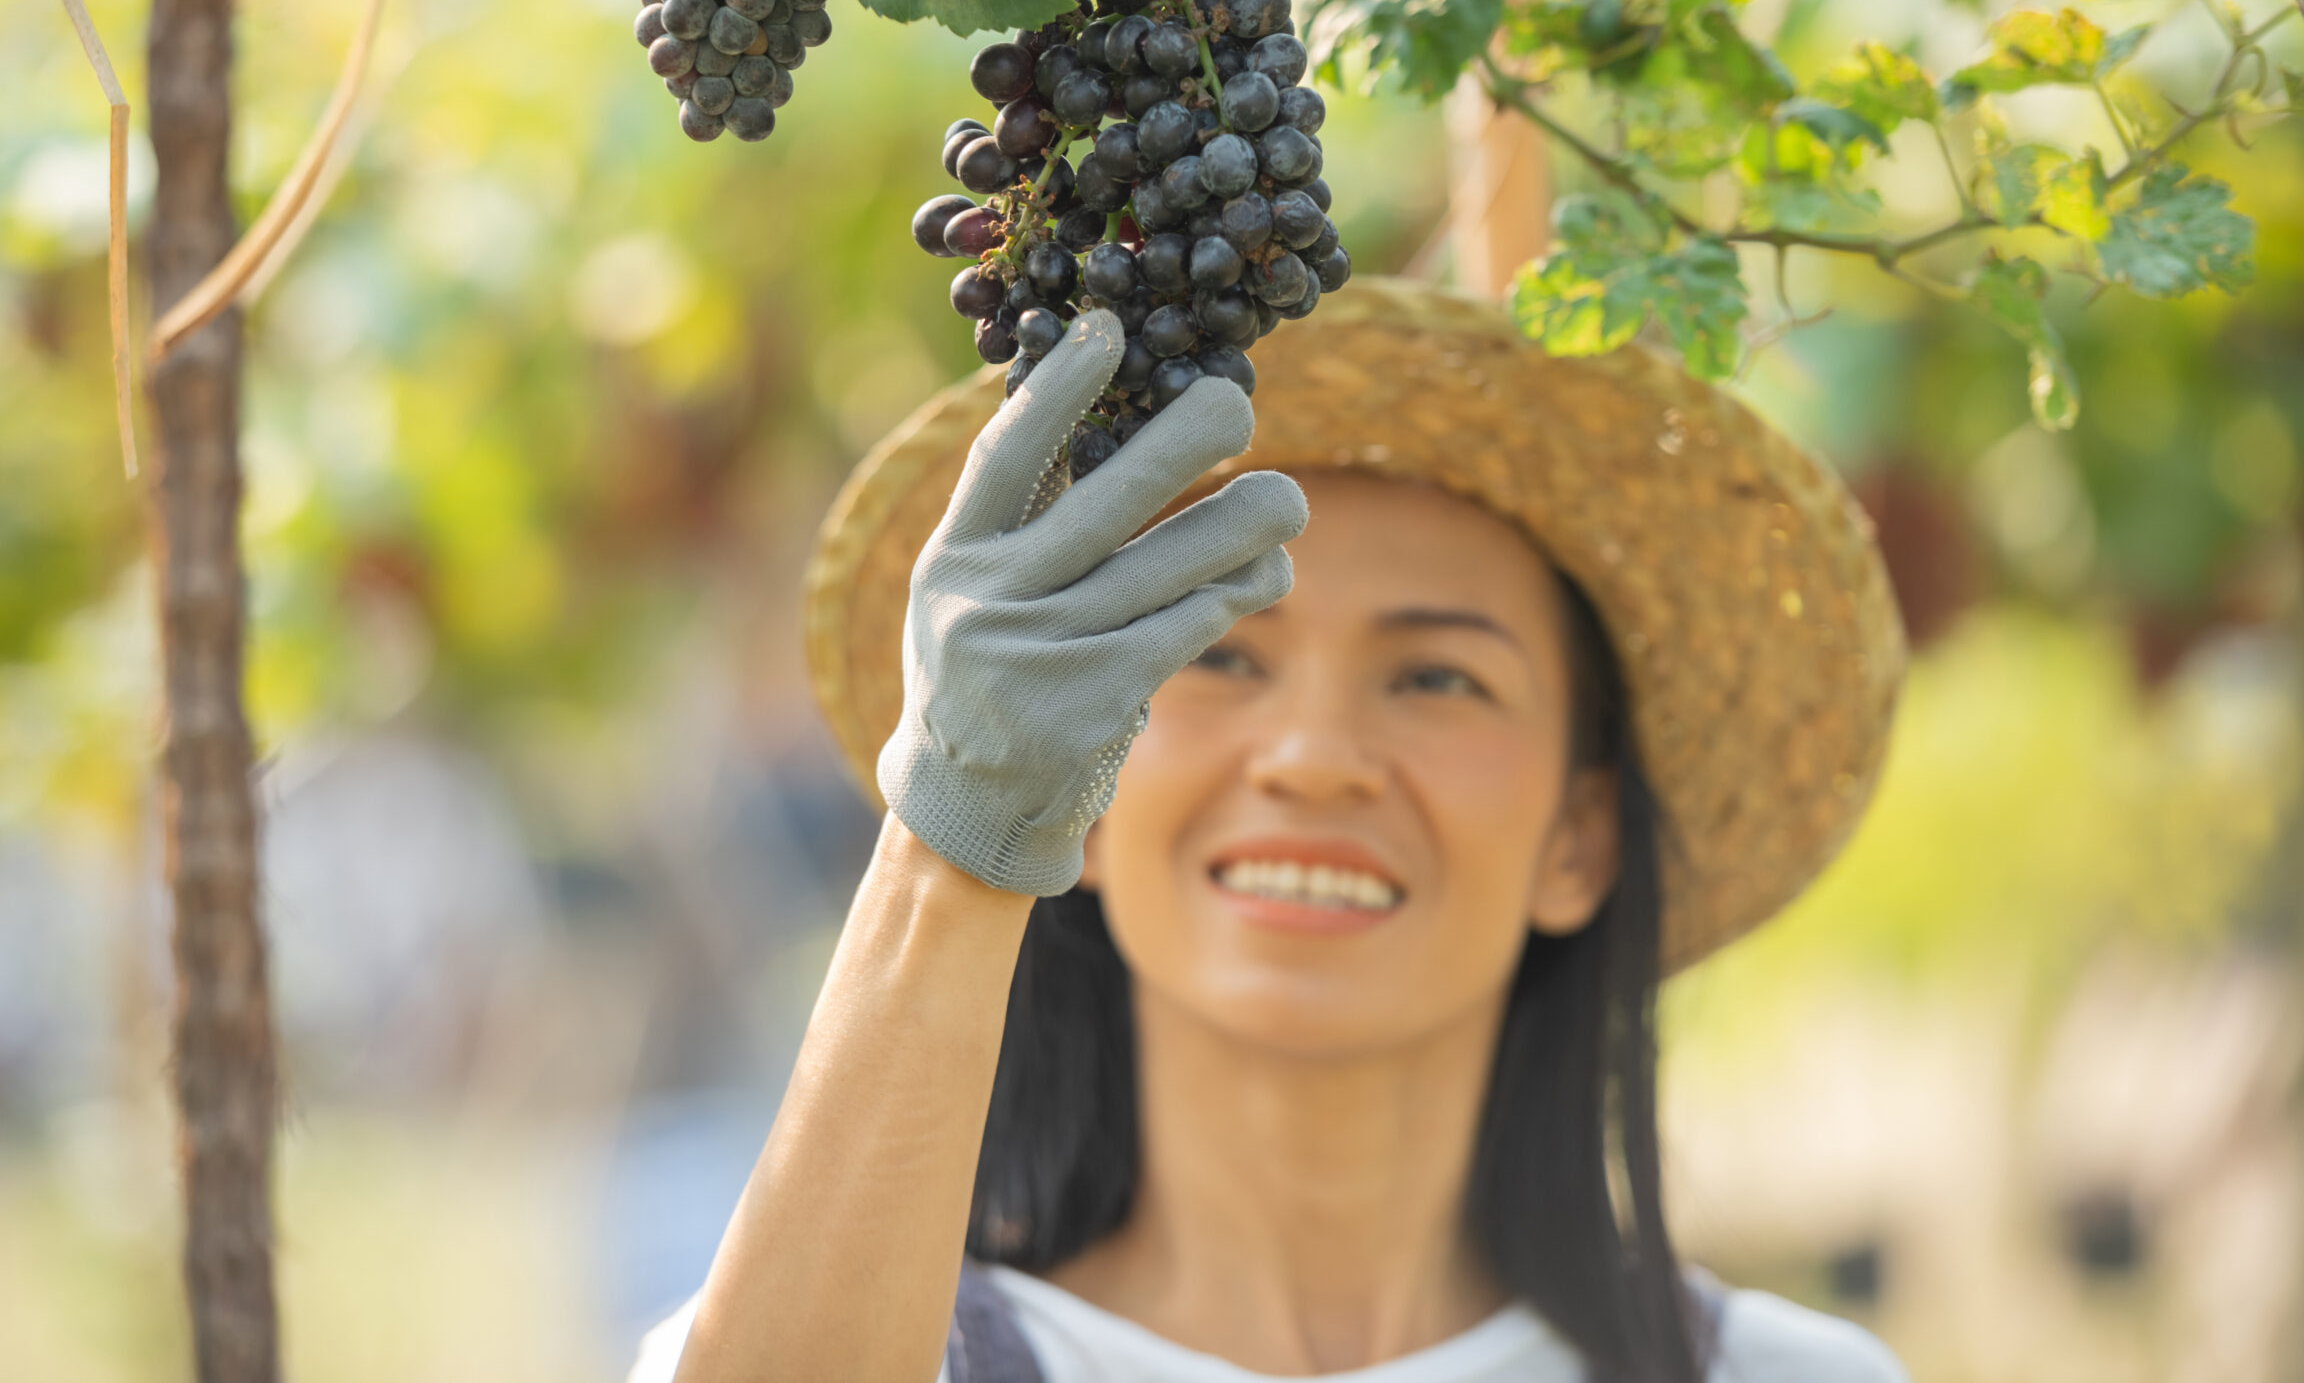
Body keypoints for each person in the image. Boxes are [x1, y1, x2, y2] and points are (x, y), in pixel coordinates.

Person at [633, 281, 1911, 1382]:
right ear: (1087, 764)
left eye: (1435, 680)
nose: (1308, 761)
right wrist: (952, 838)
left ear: (1580, 838)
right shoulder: (837, 1345)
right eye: (1219, 657)